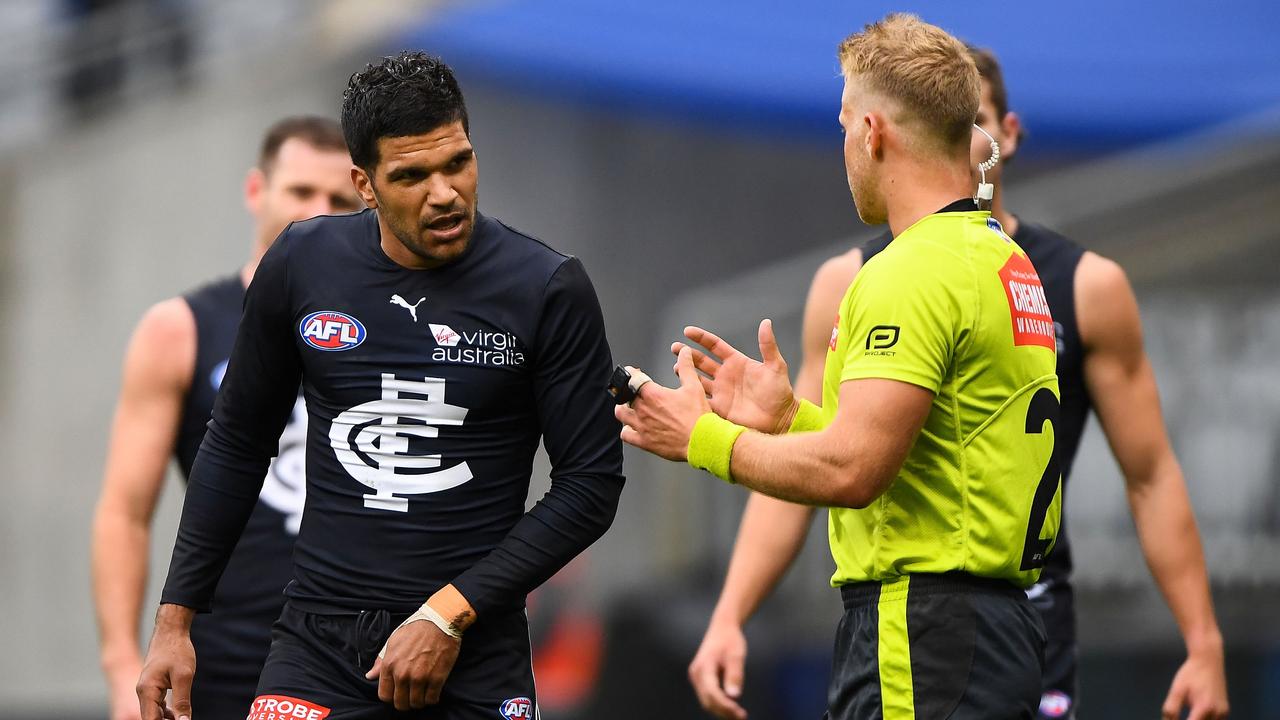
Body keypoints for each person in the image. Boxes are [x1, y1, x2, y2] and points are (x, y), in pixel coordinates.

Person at [685, 46, 1230, 720]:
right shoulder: (905, 274)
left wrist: (1203, 642)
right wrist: (731, 613)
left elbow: (1150, 473)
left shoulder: (1070, 281)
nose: (965, 137)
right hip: (971, 623)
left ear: (1006, 135)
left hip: (968, 617)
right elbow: (829, 456)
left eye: (975, 119)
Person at [136, 51, 625, 720]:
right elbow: (237, 442)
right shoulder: (303, 264)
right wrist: (174, 622)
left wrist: (448, 615)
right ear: (364, 186)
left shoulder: (545, 287)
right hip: (318, 647)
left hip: (475, 650)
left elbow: (590, 486)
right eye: (412, 176)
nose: (445, 192)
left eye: (458, 162)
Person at [619, 14, 1061, 718]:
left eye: (844, 124)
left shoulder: (909, 271)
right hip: (989, 631)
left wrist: (700, 441)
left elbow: (853, 471)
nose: (845, 147)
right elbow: (931, 456)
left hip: (923, 633)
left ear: (872, 133)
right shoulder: (1004, 260)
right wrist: (790, 419)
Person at [92, 116, 361, 720]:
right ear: (255, 191)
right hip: (225, 661)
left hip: (371, 656)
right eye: (300, 191)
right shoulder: (180, 330)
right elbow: (124, 513)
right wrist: (119, 668)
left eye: (339, 199)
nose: (317, 211)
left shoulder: (397, 326)